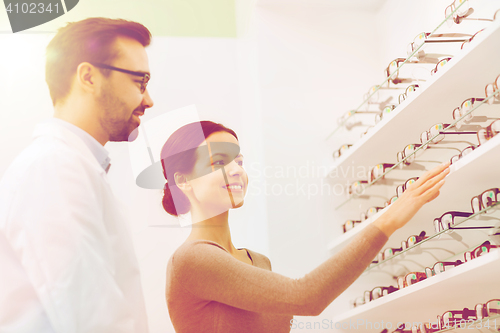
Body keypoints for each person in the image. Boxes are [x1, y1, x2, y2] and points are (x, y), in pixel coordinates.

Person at [163, 121, 450, 333]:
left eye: (239, 161)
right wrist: (387, 221)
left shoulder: (258, 262)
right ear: (183, 181)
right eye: (219, 162)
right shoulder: (192, 260)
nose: (237, 170)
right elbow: (305, 298)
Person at [0, 18, 154, 332]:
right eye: (141, 81)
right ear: (88, 77)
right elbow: (93, 321)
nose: (148, 100)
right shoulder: (54, 167)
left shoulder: (70, 166)